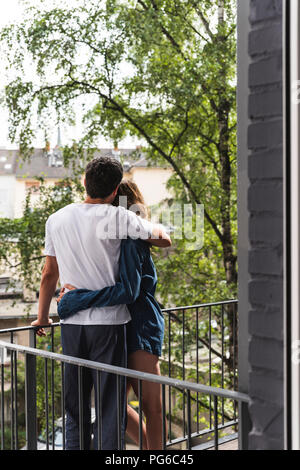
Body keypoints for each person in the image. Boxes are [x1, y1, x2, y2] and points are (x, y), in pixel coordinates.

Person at [31, 157, 171, 450]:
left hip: (95, 325)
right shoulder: (118, 219)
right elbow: (163, 238)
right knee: (110, 407)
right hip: (110, 325)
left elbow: (49, 274)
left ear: (84, 181)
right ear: (115, 190)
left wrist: (49, 313)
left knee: (82, 409)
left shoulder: (60, 219)